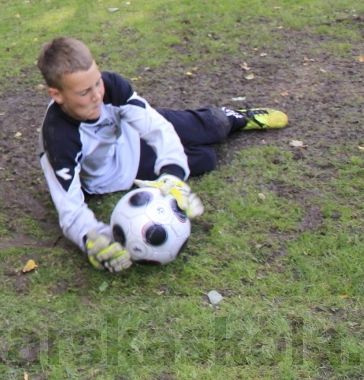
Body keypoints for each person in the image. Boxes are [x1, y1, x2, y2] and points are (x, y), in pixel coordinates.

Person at [36, 37, 289, 272]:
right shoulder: (57, 138)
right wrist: (93, 239)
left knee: (213, 126)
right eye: (84, 93)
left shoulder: (112, 87)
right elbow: (69, 209)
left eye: (98, 82)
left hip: (131, 136)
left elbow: (156, 128)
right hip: (119, 173)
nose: (97, 96)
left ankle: (240, 118)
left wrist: (172, 176)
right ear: (57, 95)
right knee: (206, 159)